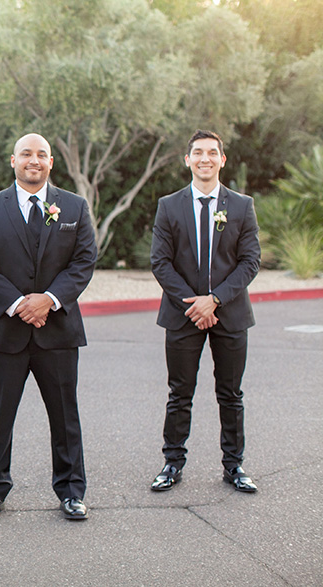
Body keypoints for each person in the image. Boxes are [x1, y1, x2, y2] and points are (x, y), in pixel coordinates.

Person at [0, 133, 97, 521]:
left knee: (65, 414)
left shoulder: (73, 206)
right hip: (5, 331)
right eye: (26, 154)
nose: (33, 160)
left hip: (57, 330)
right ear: (13, 160)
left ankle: (71, 491)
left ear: (51, 162)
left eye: (41, 154)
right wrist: (20, 304)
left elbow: (83, 261)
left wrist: (49, 300)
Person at [149, 130, 261, 493]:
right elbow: (160, 263)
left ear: (222, 160)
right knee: (179, 392)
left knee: (230, 394)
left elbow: (250, 261)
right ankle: (172, 463)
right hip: (182, 315)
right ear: (188, 160)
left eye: (212, 153)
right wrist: (194, 303)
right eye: (198, 152)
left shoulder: (241, 205)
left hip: (229, 313)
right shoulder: (169, 205)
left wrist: (214, 299)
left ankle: (234, 466)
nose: (205, 159)